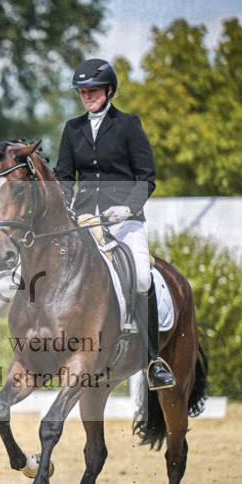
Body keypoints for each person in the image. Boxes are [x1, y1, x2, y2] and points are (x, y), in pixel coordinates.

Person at [52, 58, 174, 390]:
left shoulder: (128, 125)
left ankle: (152, 360)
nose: (86, 96)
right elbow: (64, 177)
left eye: (92, 90)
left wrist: (128, 208)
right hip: (83, 220)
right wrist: (64, 207)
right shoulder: (71, 129)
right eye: (82, 92)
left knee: (139, 273)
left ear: (109, 90)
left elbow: (147, 178)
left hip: (123, 221)